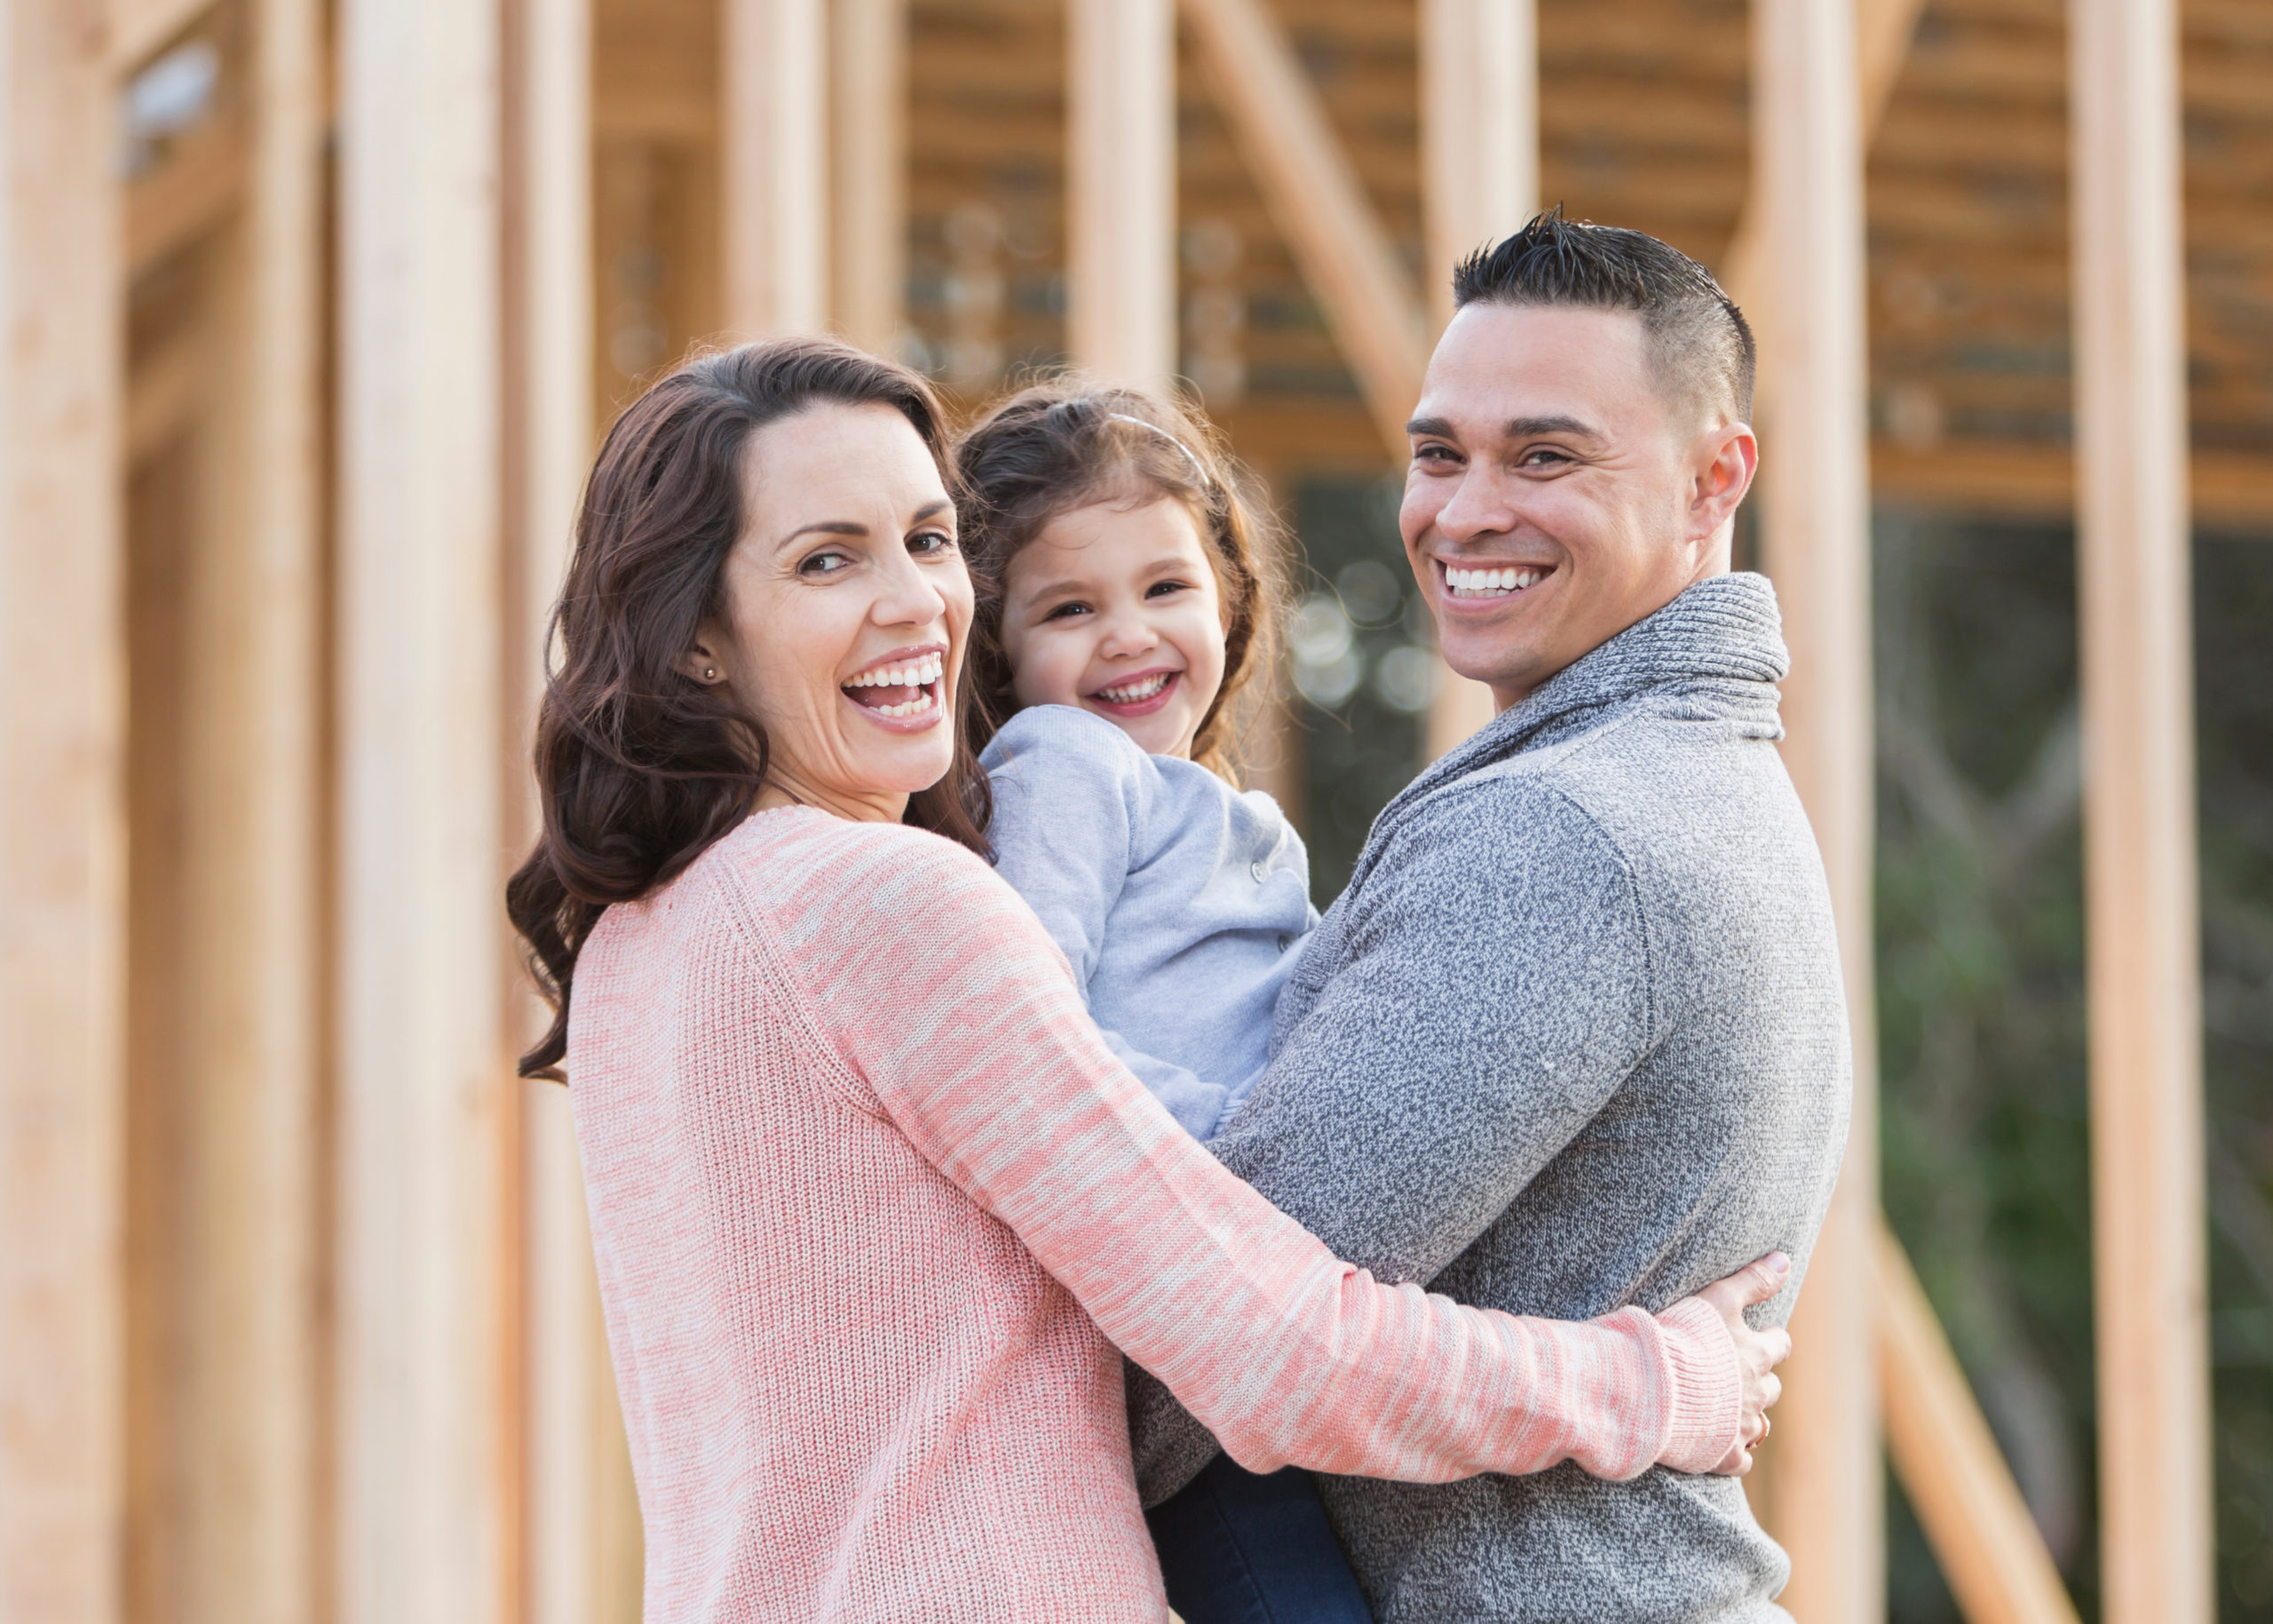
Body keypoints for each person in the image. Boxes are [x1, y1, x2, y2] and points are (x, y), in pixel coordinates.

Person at [505, 337, 1792, 1623]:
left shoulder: (634, 944)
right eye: (826, 559)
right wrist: (1655, 1384)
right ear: (698, 642)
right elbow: (1271, 1346)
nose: (914, 602)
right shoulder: (887, 905)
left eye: (930, 538)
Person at [1128, 211, 1855, 1623]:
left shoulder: (1569, 836)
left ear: (1717, 480)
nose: (1462, 512)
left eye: (1546, 455)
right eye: (1438, 452)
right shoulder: (1700, 784)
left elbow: (1210, 1335)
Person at [954, 382, 1370, 1620]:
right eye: (1069, 608)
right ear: (1000, 650)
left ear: (1231, 598)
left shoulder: (1242, 820)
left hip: (1239, 1303)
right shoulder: (1060, 766)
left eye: (1164, 589)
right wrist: (1241, 1145)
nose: (1128, 635)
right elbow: (1033, 1033)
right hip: (1164, 1321)